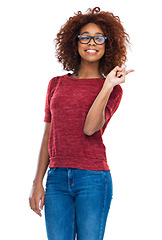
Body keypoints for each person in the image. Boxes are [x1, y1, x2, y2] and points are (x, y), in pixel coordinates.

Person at [29, 7, 134, 240]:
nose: (92, 42)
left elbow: (90, 128)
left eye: (99, 38)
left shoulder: (112, 89)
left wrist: (106, 86)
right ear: (74, 42)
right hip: (56, 179)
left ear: (108, 44)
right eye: (85, 36)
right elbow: (48, 136)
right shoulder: (56, 84)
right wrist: (38, 182)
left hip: (93, 179)